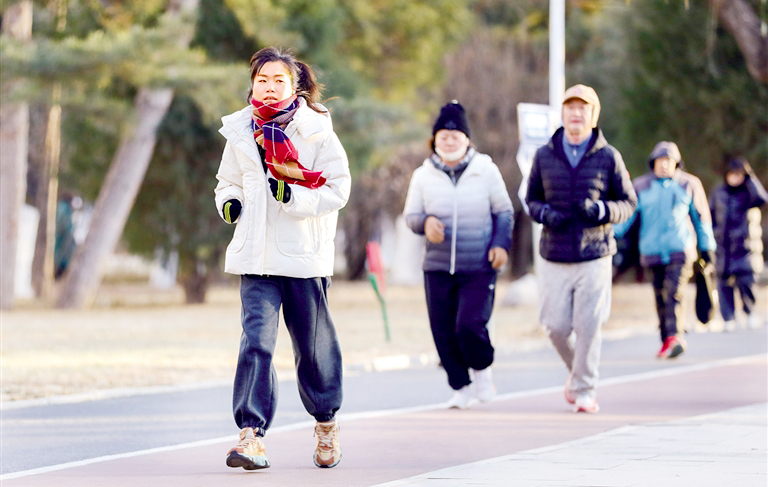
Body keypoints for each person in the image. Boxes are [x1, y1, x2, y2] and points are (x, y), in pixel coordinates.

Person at [214, 47, 351, 470]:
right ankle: (251, 435)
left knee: (313, 350)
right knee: (255, 342)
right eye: (262, 81)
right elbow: (227, 182)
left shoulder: (317, 131)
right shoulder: (239, 130)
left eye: (279, 81)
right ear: (252, 83)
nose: (270, 88)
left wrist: (292, 196)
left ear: (295, 86)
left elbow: (337, 190)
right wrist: (230, 205)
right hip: (255, 258)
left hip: (303, 258)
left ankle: (326, 421)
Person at [525, 84, 637, 414]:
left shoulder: (608, 156)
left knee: (588, 326)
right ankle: (578, 376)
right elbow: (531, 200)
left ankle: (586, 390)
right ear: (562, 114)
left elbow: (629, 202)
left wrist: (602, 211)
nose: (576, 113)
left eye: (583, 108)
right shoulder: (545, 155)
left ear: (593, 115)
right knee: (556, 327)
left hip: (595, 253)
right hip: (555, 254)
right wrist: (546, 214)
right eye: (570, 107)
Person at [403, 100, 513, 409]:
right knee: (442, 331)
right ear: (434, 140)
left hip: (478, 264)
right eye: (443, 135)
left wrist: (500, 244)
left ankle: (482, 371)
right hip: (437, 266)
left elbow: (504, 212)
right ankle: (460, 387)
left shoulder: (485, 169)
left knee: (469, 325)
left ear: (467, 139)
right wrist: (425, 223)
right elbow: (410, 216)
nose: (449, 140)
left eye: (456, 135)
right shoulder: (423, 175)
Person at [614, 141, 716, 358]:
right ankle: (666, 340)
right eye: (661, 161)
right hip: (651, 252)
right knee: (660, 296)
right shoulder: (641, 186)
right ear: (653, 163)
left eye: (669, 161)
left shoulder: (689, 184)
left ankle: (675, 336)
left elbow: (701, 217)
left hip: (680, 250)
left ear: (677, 164)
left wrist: (707, 246)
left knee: (674, 293)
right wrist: (610, 233)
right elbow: (627, 216)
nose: (665, 166)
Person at [709, 156, 767, 331]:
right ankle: (728, 318)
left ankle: (750, 312)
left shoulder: (749, 193)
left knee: (746, 283)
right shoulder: (719, 192)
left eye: (740, 174)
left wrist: (751, 177)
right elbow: (710, 214)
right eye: (733, 174)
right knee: (723, 284)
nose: (736, 178)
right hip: (723, 248)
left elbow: (763, 199)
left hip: (745, 248)